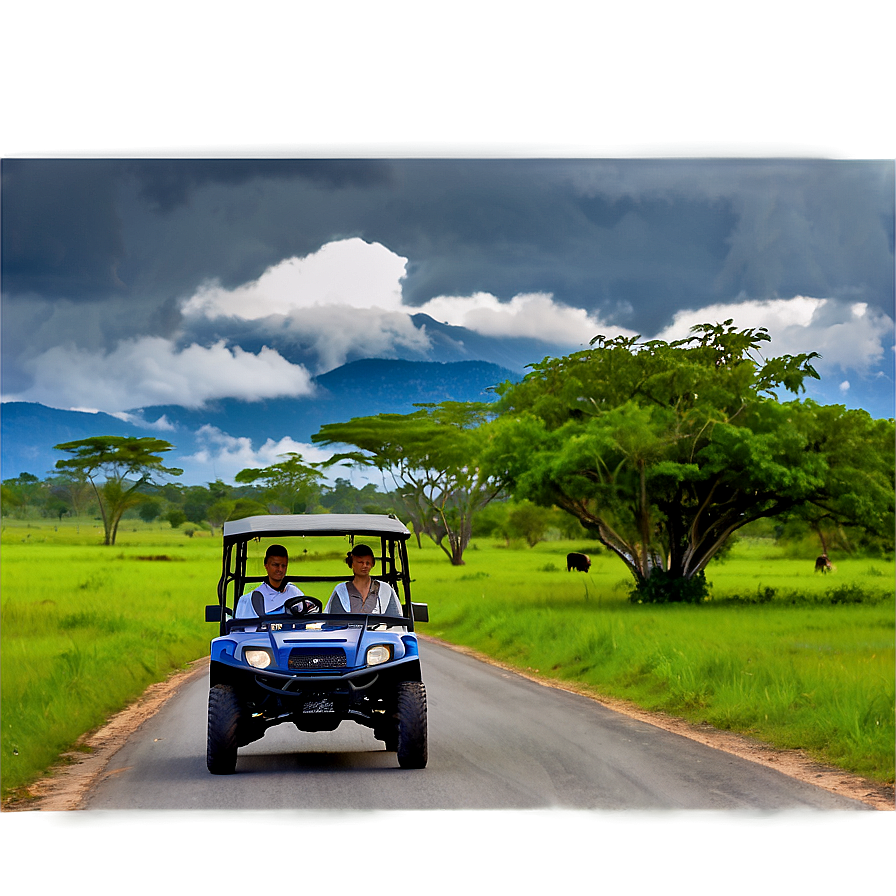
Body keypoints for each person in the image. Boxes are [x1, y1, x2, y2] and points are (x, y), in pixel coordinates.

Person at [234, 544, 319, 623]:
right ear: (266, 566)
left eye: (283, 566)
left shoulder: (294, 592)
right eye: (275, 565)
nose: (280, 570)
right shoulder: (253, 599)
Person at [324, 543, 403, 616]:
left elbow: (396, 621)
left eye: (368, 563)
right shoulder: (341, 590)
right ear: (351, 563)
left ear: (372, 564)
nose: (365, 566)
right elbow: (332, 621)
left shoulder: (385, 589)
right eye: (360, 562)